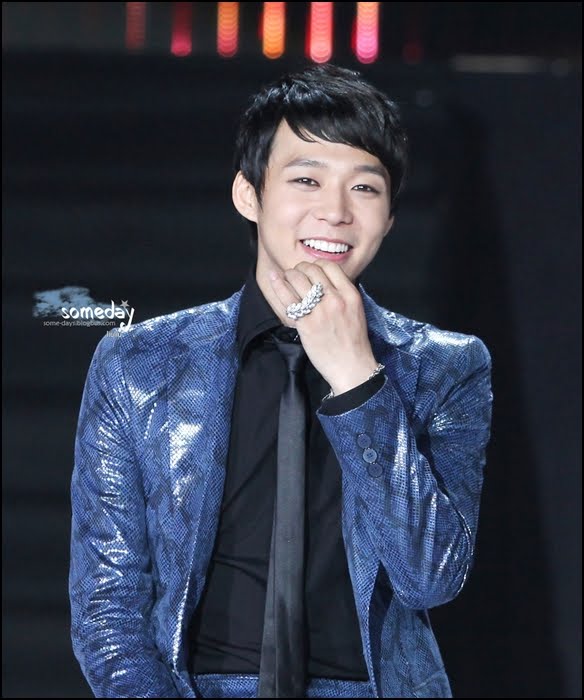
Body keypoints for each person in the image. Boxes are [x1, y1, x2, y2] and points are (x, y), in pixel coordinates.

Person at [69, 63, 493, 699]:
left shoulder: (445, 367)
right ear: (249, 194)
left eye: (365, 188)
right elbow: (107, 606)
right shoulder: (139, 363)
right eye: (306, 179)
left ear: (389, 217)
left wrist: (357, 379)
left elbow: (429, 577)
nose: (335, 211)